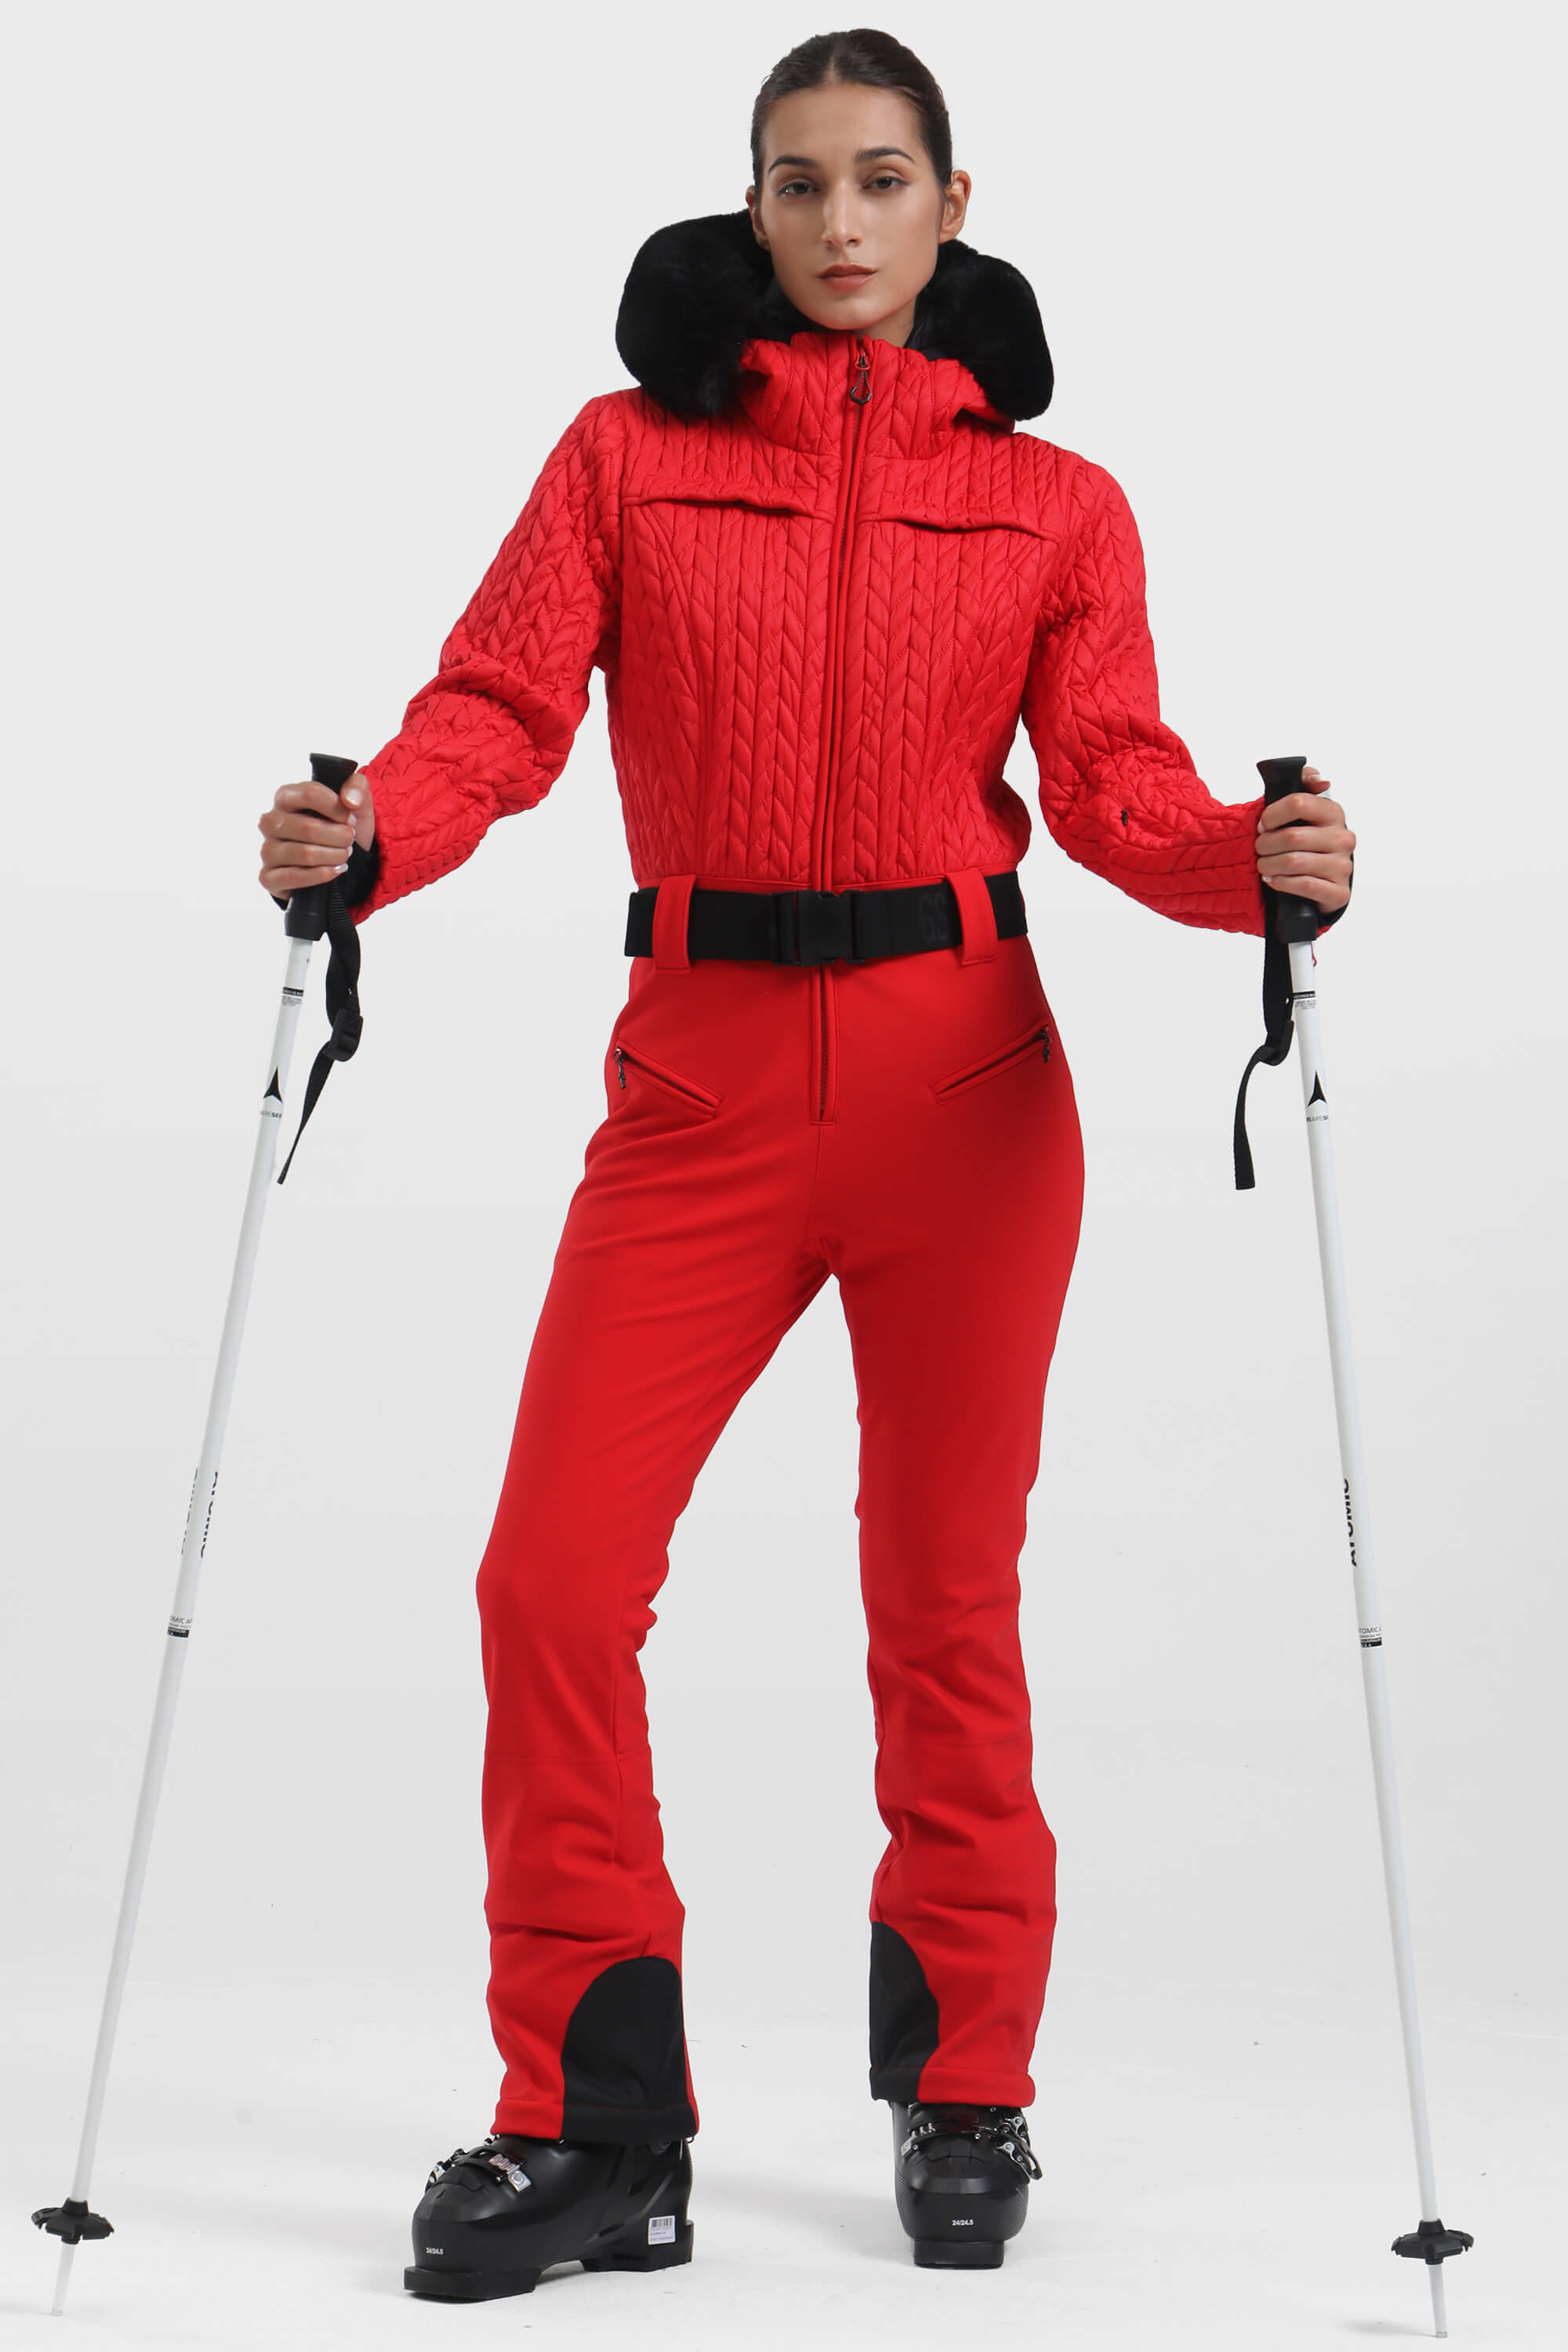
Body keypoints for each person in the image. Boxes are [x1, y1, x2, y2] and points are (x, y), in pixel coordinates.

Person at [257, 28, 1355, 2301]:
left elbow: (1119, 783)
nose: (840, 223)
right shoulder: (622, 459)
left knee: (944, 1602)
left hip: (970, 1090)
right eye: (797, 182)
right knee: (551, 1584)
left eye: (879, 179)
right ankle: (595, 2129)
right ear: (749, 206)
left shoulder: (1061, 506)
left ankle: (970, 2085)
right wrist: (375, 839)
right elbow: (496, 711)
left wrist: (1253, 865)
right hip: (700, 1089)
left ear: (954, 202)